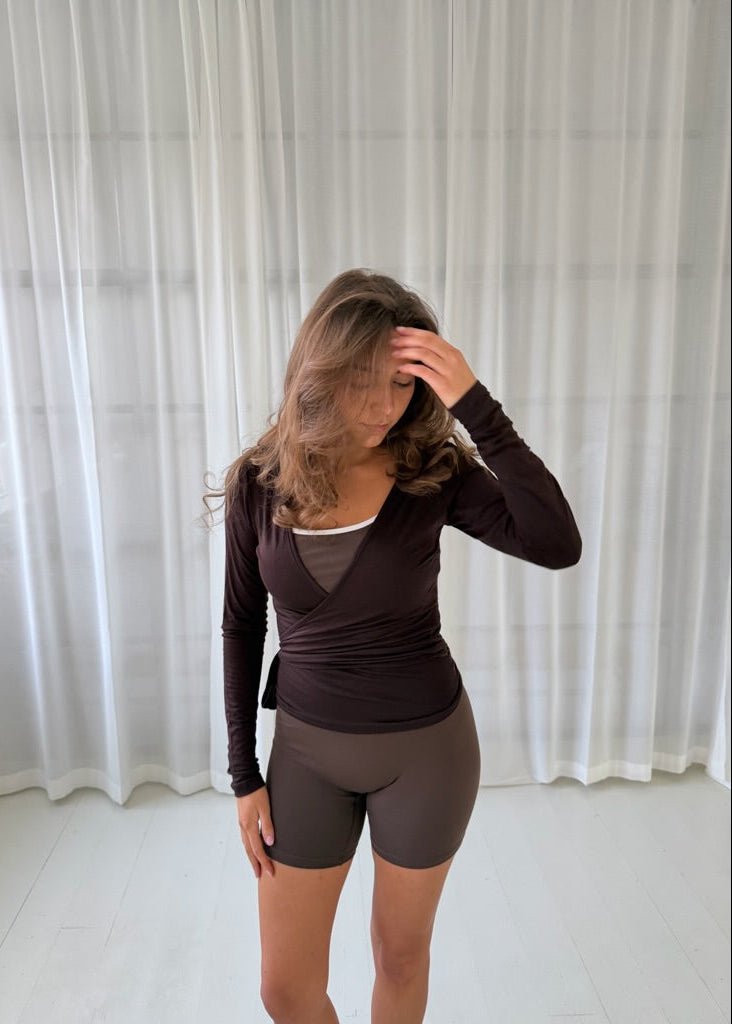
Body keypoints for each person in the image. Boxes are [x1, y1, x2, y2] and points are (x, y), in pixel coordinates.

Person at [212, 268, 582, 1023]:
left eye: (403, 383)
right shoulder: (259, 482)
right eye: (362, 382)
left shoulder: (433, 472)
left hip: (427, 754)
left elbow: (556, 544)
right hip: (305, 756)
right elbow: (242, 624)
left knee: (401, 958)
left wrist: (477, 406)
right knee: (284, 989)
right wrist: (244, 774)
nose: (385, 406)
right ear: (321, 373)